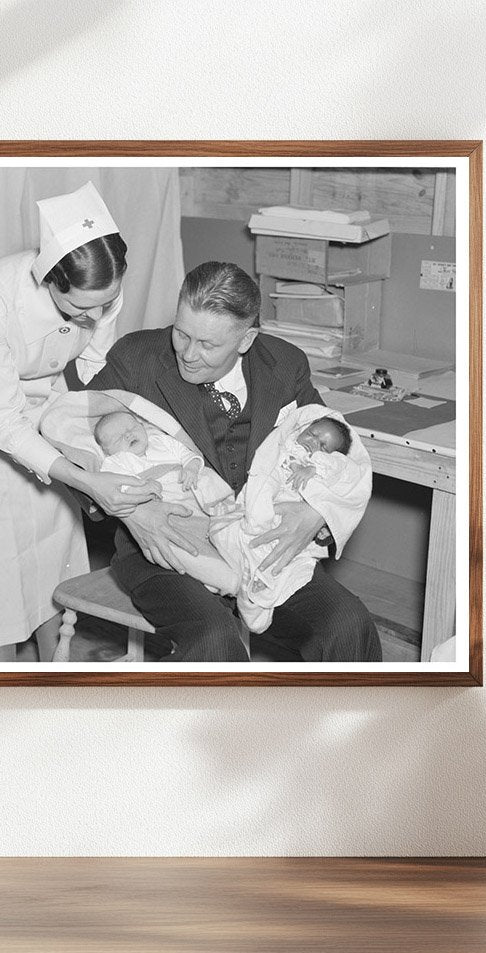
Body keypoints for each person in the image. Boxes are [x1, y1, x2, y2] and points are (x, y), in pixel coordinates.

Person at [82, 261, 382, 662]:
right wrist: (136, 514)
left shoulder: (284, 363)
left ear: (246, 339)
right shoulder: (136, 359)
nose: (188, 354)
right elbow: (74, 439)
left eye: (207, 345)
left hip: (260, 543)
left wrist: (317, 512)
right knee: (212, 636)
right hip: (164, 540)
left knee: (346, 622)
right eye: (181, 334)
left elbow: (335, 443)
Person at [0, 182, 158, 662]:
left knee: (51, 538)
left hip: (47, 401)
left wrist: (90, 442)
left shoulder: (103, 283)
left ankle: (55, 661)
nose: (95, 316)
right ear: (50, 279)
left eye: (104, 305)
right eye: (81, 308)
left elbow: (91, 364)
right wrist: (85, 479)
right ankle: (5, 678)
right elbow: (4, 422)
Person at [210, 411, 364, 634]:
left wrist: (313, 467)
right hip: (257, 507)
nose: (312, 442)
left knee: (281, 561)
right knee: (231, 534)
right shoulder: (287, 444)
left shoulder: (324, 465)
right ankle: (239, 580)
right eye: (311, 434)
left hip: (290, 521)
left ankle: (254, 591)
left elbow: (341, 470)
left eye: (323, 446)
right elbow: (269, 465)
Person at [95, 410, 202, 504]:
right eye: (118, 438)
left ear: (142, 426)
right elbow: (116, 485)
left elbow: (188, 453)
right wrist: (140, 489)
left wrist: (191, 467)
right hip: (165, 504)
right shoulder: (115, 462)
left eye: (131, 428)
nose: (128, 435)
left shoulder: (162, 441)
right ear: (107, 451)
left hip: (193, 489)